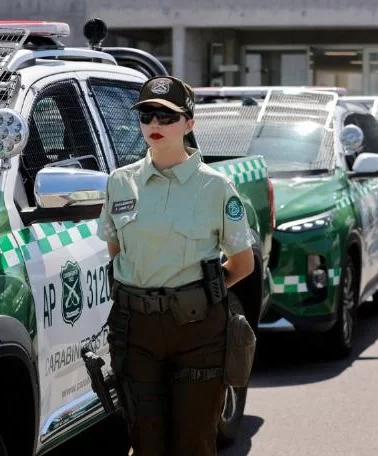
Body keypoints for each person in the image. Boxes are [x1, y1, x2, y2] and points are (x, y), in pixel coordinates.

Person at [96, 75, 255, 456]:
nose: (154, 125)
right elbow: (117, 252)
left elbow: (242, 264)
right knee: (145, 442)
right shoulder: (121, 182)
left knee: (195, 442)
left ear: (189, 123)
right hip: (136, 330)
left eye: (166, 117)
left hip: (198, 331)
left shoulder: (215, 186)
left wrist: (200, 295)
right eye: (147, 115)